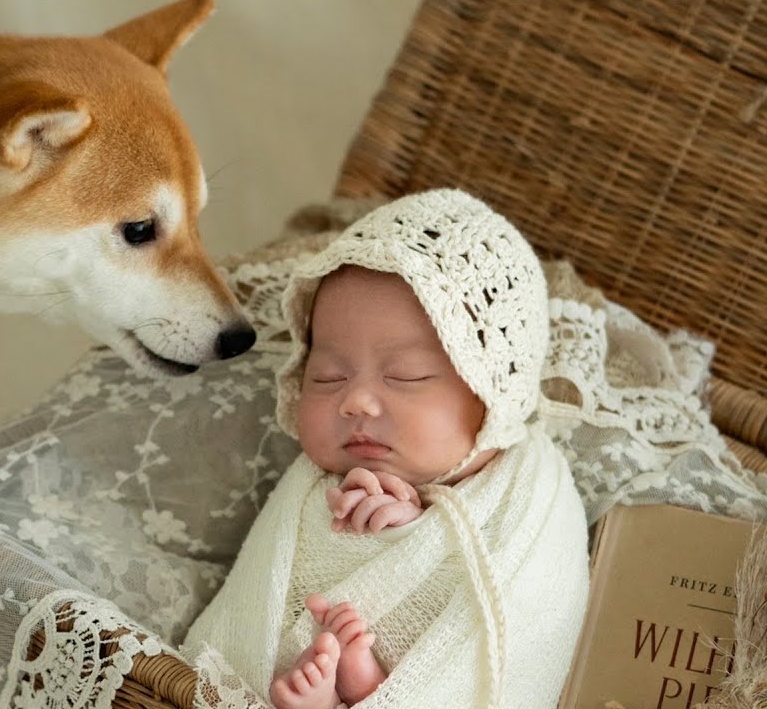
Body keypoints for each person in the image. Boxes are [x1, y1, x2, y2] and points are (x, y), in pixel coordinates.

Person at [182, 189, 591, 709]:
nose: (355, 401)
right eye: (328, 376)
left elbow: (519, 633)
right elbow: (268, 598)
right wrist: (360, 532)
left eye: (406, 375)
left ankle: (368, 686)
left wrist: (419, 529)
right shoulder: (313, 488)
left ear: (493, 392)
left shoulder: (532, 499)